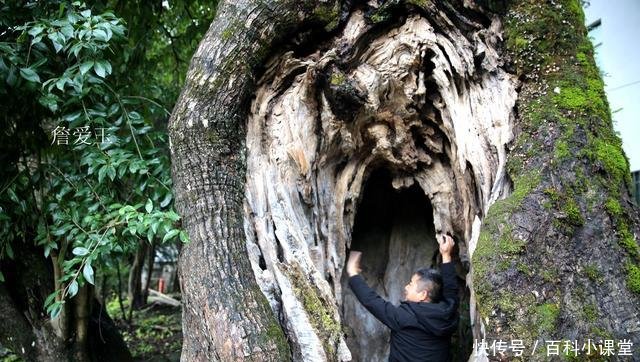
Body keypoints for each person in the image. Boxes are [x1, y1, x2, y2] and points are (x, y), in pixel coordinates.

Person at [346, 234, 459, 362]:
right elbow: (451, 290)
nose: (406, 287)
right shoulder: (448, 311)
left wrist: (353, 273)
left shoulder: (405, 317)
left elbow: (372, 301)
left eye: (411, 284)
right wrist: (446, 255)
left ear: (423, 295)